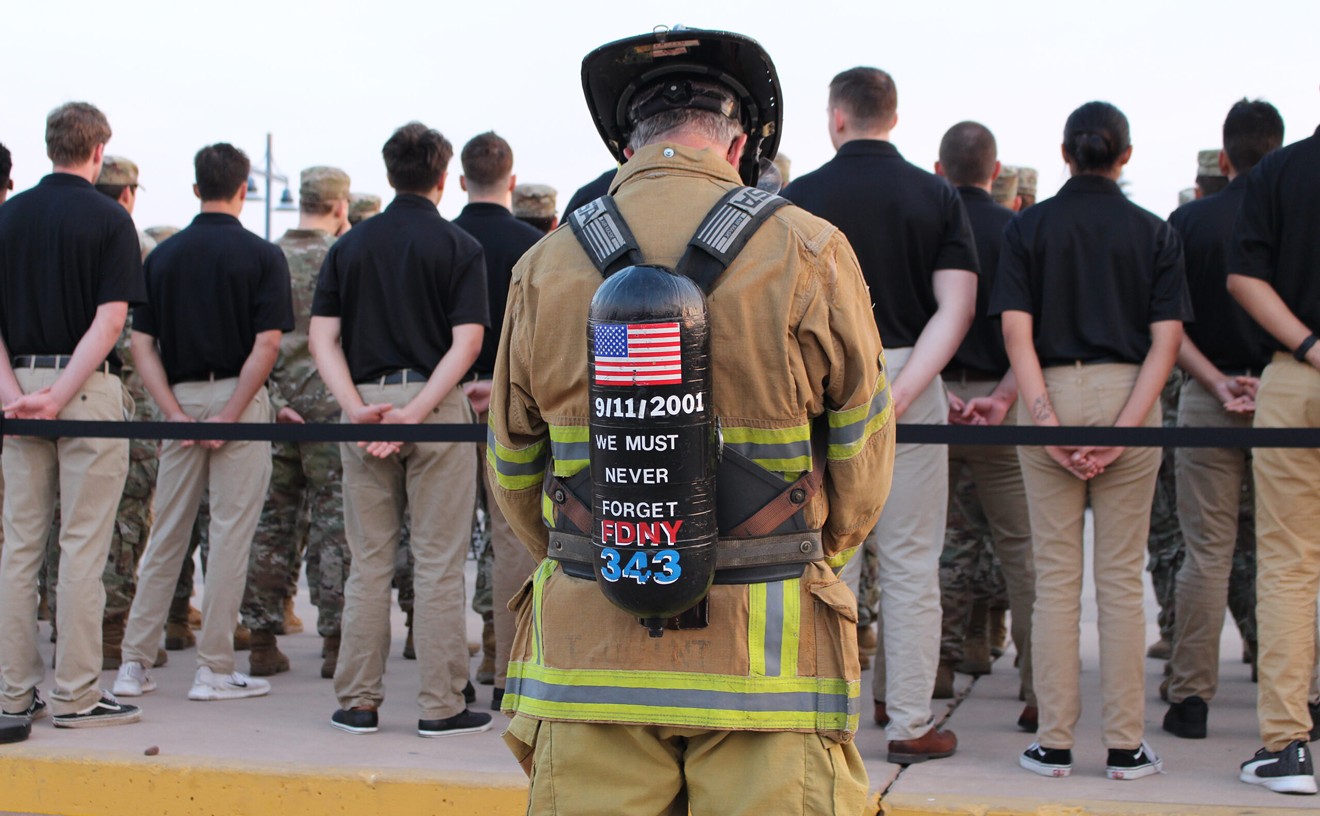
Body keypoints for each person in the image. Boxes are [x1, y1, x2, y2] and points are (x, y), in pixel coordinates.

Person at [488, 27, 893, 814]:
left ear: (626, 148)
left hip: (589, 660)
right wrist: (812, 550)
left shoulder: (542, 267)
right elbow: (863, 447)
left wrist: (605, 555)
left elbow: (511, 463)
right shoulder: (809, 249)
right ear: (737, 145)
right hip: (764, 667)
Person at [990, 100, 1190, 780]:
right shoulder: (1154, 231)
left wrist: (1049, 423)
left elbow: (1016, 333)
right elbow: (1168, 344)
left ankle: (1053, 741)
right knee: (1121, 583)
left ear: (1066, 152)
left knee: (1055, 582)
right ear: (1124, 155)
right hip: (1130, 395)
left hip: (1049, 391)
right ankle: (1127, 745)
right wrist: (1122, 430)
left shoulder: (1029, 227)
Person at [783, 66, 976, 762]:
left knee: (827, 558)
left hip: (819, 388)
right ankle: (911, 723)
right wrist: (899, 390)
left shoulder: (797, 201)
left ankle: (825, 720)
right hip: (912, 382)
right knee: (912, 562)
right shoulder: (937, 196)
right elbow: (956, 307)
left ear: (837, 117)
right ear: (892, 116)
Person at [310, 122, 491, 738]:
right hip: (434, 408)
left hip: (361, 407)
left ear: (389, 175)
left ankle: (357, 702)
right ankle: (441, 704)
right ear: (444, 178)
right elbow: (468, 341)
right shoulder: (458, 245)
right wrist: (418, 409)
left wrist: (355, 405)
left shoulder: (349, 246)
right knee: (439, 564)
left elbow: (322, 338)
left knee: (369, 561)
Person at [114, 142, 292, 703]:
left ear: (195, 188)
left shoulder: (161, 258)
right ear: (244, 189)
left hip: (179, 396)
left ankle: (133, 665)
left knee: (165, 536)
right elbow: (266, 345)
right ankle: (214, 668)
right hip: (240, 399)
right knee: (231, 536)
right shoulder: (263, 256)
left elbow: (141, 344)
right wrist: (234, 414)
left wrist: (171, 411)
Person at [0, 101, 145, 729]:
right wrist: (60, 394)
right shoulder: (110, 220)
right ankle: (77, 693)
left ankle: (10, 694)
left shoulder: (7, 217)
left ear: (48, 146)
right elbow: (110, 320)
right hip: (83, 388)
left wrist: (13, 392)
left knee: (18, 547)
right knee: (82, 548)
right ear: (97, 153)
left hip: (16, 387)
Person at [1162, 100, 1284, 741]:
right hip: (1286, 392)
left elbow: (1169, 329)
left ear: (1226, 156)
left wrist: (1212, 380)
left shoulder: (1189, 221)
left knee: (1204, 555)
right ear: (1281, 146)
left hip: (1208, 395)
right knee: (1288, 555)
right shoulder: (1290, 212)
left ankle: (1190, 700)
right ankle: (1303, 693)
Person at [1226, 96, 1320, 796]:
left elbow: (1244, 279)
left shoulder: (1280, 173)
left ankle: (1287, 746)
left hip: (1297, 377)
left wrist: (1311, 345)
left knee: (1289, 563)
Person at [932, 121, 1037, 731]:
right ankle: (1037, 686)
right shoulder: (1017, 228)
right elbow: (1031, 325)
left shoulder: (934, 225)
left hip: (934, 402)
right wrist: (1001, 394)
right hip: (1006, 402)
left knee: (927, 548)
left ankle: (934, 670)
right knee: (1024, 550)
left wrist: (940, 391)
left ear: (941, 171)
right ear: (996, 175)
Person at [243, 166, 353, 679]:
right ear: (338, 206)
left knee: (271, 526)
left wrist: (271, 396)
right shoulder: (344, 256)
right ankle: (335, 644)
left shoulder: (266, 255)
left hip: (273, 410)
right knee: (337, 527)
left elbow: (251, 339)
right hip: (334, 409)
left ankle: (261, 639)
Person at [453, 132, 543, 710]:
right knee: (512, 542)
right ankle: (507, 669)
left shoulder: (444, 242)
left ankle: (444, 665)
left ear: (462, 181)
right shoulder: (536, 248)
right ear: (510, 181)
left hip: (443, 404)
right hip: (512, 408)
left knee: (441, 547)